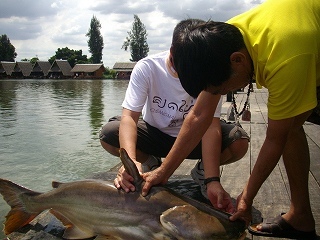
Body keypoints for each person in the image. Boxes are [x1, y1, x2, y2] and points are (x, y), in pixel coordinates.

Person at [141, 0, 319, 238]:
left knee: (288, 129)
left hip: (301, 48)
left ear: (238, 60)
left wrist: (245, 198)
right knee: (293, 126)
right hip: (299, 41)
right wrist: (163, 171)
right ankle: (301, 217)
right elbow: (199, 115)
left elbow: (275, 139)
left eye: (220, 90)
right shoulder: (221, 40)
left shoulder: (285, 57)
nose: (217, 96)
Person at [99, 19, 250, 214]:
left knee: (239, 141)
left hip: (193, 140)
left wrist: (213, 179)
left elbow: (210, 126)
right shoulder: (147, 67)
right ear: (172, 52)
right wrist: (130, 160)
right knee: (109, 133)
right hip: (156, 134)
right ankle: (149, 162)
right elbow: (129, 117)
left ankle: (203, 172)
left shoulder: (209, 70)